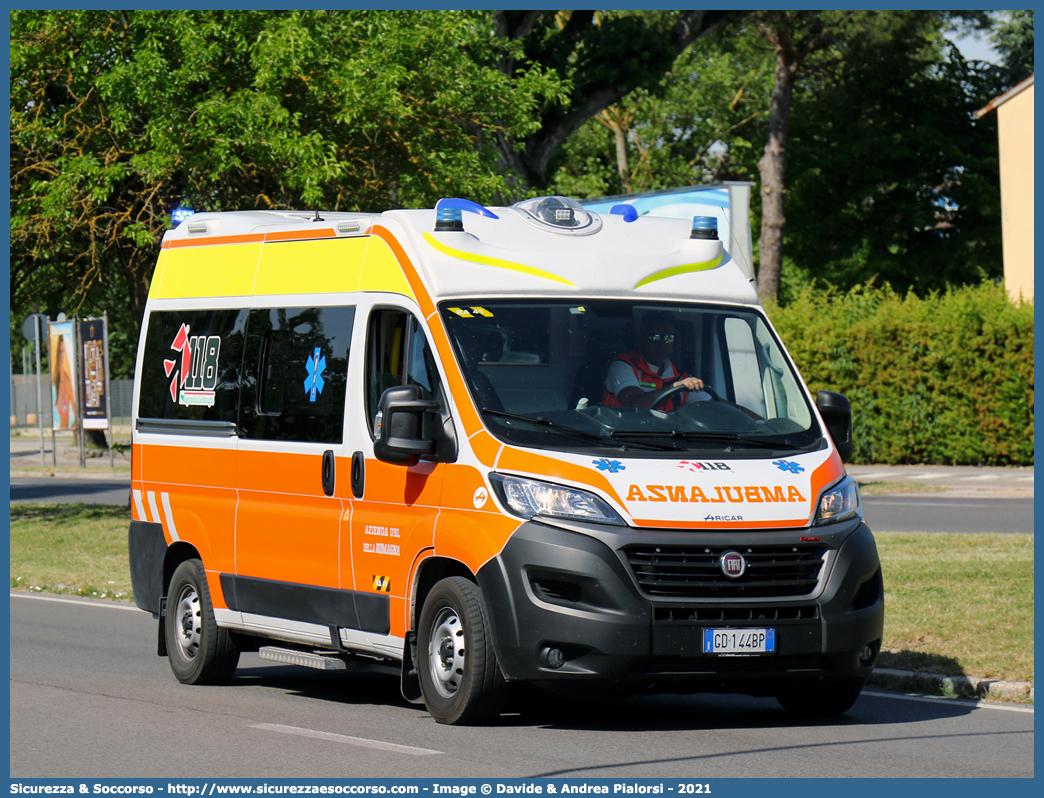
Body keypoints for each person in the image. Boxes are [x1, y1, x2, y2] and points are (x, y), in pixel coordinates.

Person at [602, 311, 707, 411]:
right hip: (622, 429)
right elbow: (634, 403)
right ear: (641, 339)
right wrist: (673, 388)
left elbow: (715, 405)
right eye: (654, 338)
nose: (661, 343)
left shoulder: (680, 377)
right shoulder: (623, 365)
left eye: (668, 338)